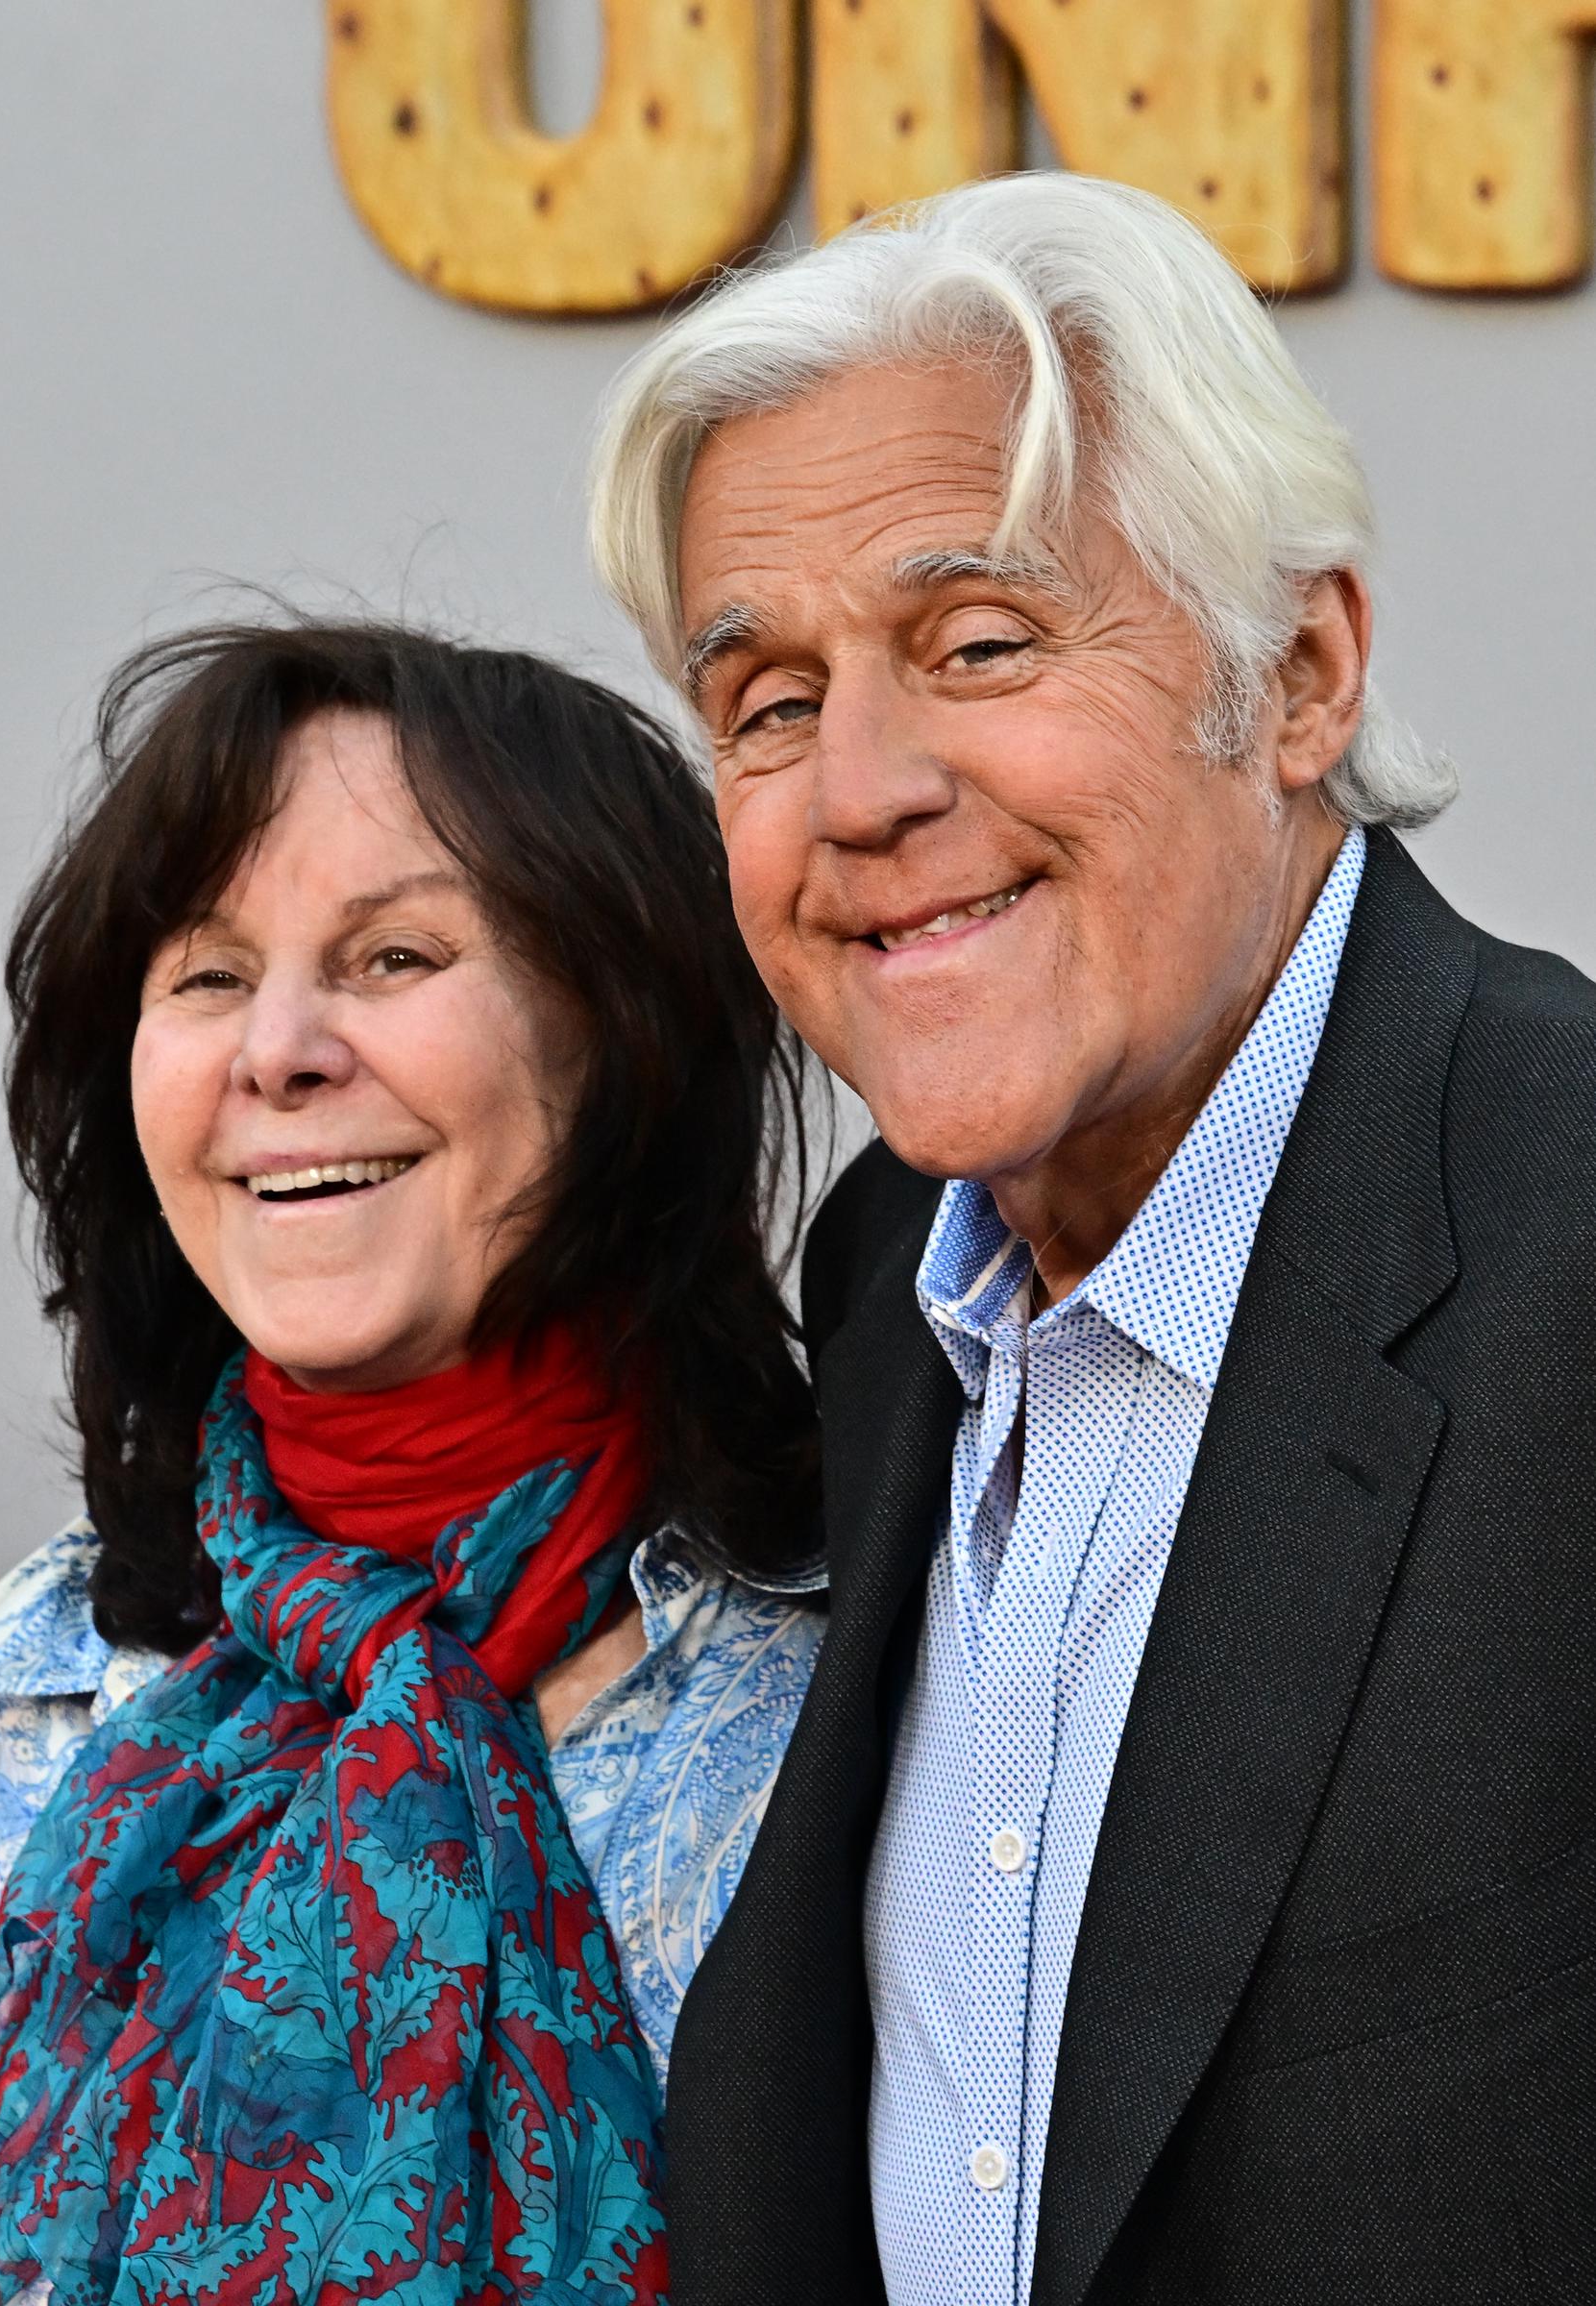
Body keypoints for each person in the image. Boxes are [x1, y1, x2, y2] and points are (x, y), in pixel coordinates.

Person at [583, 174, 1596, 2303]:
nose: (853, 789)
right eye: (763, 701)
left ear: (1293, 674)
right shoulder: (883, 1281)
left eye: (977, 643)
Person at [0, 620, 826, 2304]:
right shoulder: (38, 1674)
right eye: (205, 976)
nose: (275, 1049)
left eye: (391, 959)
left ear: (622, 1035)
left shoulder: (883, 1664)